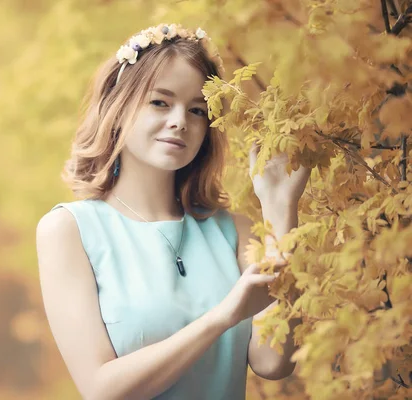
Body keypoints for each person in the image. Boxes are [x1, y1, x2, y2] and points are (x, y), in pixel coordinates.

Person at [36, 23, 310, 400]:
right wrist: (222, 317)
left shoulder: (235, 230)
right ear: (117, 110)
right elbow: (101, 389)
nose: (181, 121)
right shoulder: (69, 230)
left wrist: (280, 207)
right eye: (160, 102)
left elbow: (273, 362)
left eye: (197, 110)